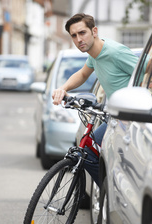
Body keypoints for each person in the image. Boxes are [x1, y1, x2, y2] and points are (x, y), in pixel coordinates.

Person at [52, 13, 139, 186]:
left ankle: (113, 194)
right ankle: (108, 191)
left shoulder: (115, 52)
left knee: (89, 152)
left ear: (94, 31)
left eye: (82, 33)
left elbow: (147, 76)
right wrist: (62, 89)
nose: (79, 39)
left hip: (134, 119)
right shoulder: (94, 54)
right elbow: (83, 74)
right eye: (74, 36)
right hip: (115, 117)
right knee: (86, 151)